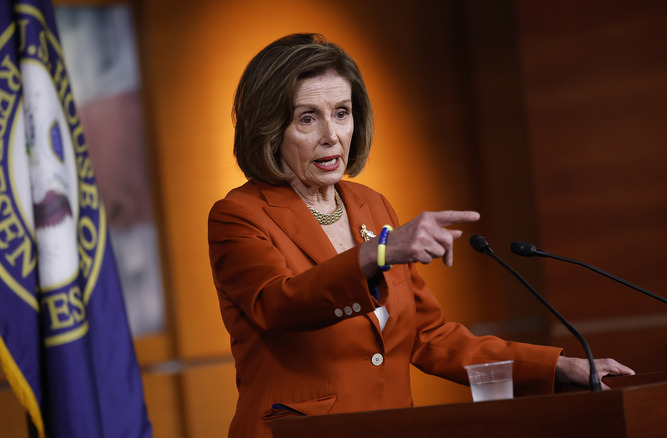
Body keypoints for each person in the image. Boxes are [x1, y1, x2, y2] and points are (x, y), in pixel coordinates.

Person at [207, 33, 634, 438]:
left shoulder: (371, 205)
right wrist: (378, 253)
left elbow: (430, 337)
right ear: (269, 129)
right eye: (307, 118)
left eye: (342, 112)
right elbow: (280, 304)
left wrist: (556, 368)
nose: (331, 136)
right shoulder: (239, 216)